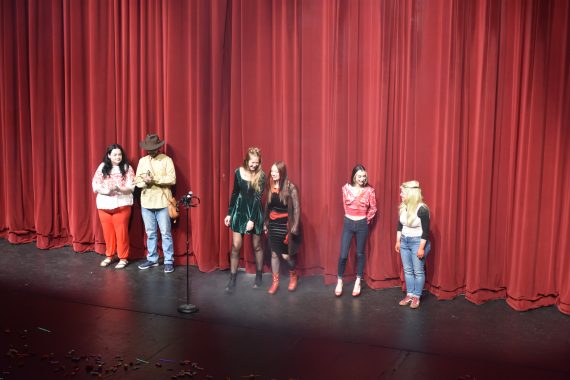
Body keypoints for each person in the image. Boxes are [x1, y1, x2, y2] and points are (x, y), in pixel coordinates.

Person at [224, 147, 266, 293]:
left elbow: (258, 198)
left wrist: (252, 220)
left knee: (257, 245)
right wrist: (229, 213)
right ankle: (232, 279)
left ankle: (259, 276)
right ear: (247, 160)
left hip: (254, 212)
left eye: (257, 163)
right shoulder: (238, 172)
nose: (254, 165)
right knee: (236, 246)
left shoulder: (261, 175)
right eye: (252, 162)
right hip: (240, 210)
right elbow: (235, 193)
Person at [135, 134, 177, 273]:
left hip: (163, 202)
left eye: (153, 148)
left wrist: (153, 179)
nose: (150, 151)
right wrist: (144, 182)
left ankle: (168, 260)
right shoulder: (142, 161)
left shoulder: (167, 160)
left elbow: (172, 179)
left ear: (158, 148)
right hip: (146, 202)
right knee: (150, 233)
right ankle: (152, 259)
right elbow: (137, 181)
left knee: (165, 233)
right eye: (148, 149)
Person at [335, 164, 377, 297]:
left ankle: (358, 280)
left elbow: (373, 208)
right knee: (343, 254)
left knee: (360, 253)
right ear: (354, 176)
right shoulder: (345, 189)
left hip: (362, 224)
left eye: (364, 176)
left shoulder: (370, 190)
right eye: (359, 176)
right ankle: (339, 280)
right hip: (348, 223)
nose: (362, 178)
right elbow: (344, 205)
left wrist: (366, 220)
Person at [92, 144, 135, 269]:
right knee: (108, 233)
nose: (118, 157)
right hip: (104, 206)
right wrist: (107, 190)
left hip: (121, 205)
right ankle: (109, 255)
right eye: (115, 154)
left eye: (120, 154)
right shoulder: (102, 167)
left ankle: (123, 257)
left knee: (121, 233)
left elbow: (131, 187)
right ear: (109, 155)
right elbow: (95, 184)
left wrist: (119, 189)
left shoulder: (127, 168)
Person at [264, 161, 301, 294]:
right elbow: (268, 206)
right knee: (274, 254)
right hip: (273, 225)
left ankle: (293, 275)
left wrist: (295, 227)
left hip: (286, 226)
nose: (273, 174)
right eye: (272, 171)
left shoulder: (290, 187)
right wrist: (265, 222)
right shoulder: (270, 185)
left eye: (276, 171)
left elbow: (296, 208)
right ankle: (275, 282)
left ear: (282, 172)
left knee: (286, 256)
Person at [394, 180, 431, 309]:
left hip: (418, 242)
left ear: (411, 193)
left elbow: (425, 232)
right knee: (408, 270)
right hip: (404, 241)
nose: (400, 195)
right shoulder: (403, 206)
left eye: (403, 192)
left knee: (418, 271)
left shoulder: (422, 209)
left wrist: (421, 248)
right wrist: (398, 241)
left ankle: (416, 296)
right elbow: (399, 226)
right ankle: (409, 294)